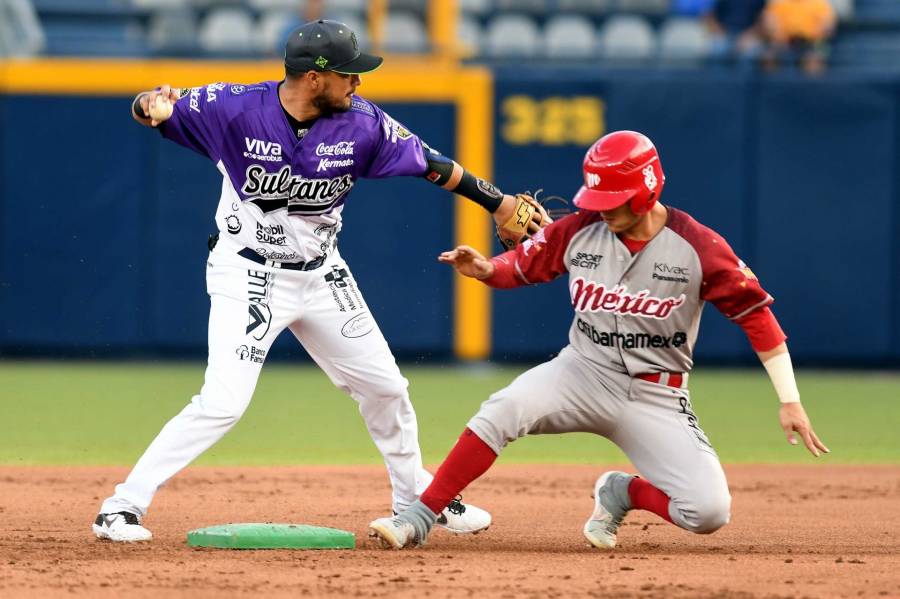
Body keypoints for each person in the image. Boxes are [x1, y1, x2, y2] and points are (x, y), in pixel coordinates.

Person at [92, 19, 549, 542]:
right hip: (248, 272)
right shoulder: (233, 109)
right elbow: (150, 109)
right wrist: (150, 101)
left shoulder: (363, 124)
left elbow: (434, 165)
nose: (358, 84)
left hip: (323, 274)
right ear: (315, 77)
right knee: (223, 402)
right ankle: (121, 507)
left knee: (386, 388)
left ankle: (414, 503)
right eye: (349, 75)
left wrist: (499, 201)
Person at [368, 130, 829, 550]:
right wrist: (488, 269)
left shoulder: (699, 248)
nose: (605, 208)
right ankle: (420, 516)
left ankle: (621, 492)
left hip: (656, 393)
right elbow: (523, 266)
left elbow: (757, 316)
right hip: (582, 371)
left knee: (708, 512)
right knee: (502, 409)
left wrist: (789, 400)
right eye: (599, 197)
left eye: (616, 199)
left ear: (647, 191)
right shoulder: (581, 228)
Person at [761, 0, 836, 75]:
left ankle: (811, 84)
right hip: (783, 41)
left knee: (814, 60)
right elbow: (769, 21)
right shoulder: (779, 3)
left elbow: (828, 25)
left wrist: (817, 35)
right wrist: (778, 37)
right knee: (769, 58)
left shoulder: (818, 3)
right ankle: (773, 83)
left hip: (811, 42)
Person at [703, 0, 767, 65]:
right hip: (724, 33)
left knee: (749, 53)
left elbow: (762, 17)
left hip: (747, 35)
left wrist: (750, 34)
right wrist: (720, 32)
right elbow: (711, 15)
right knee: (718, 48)